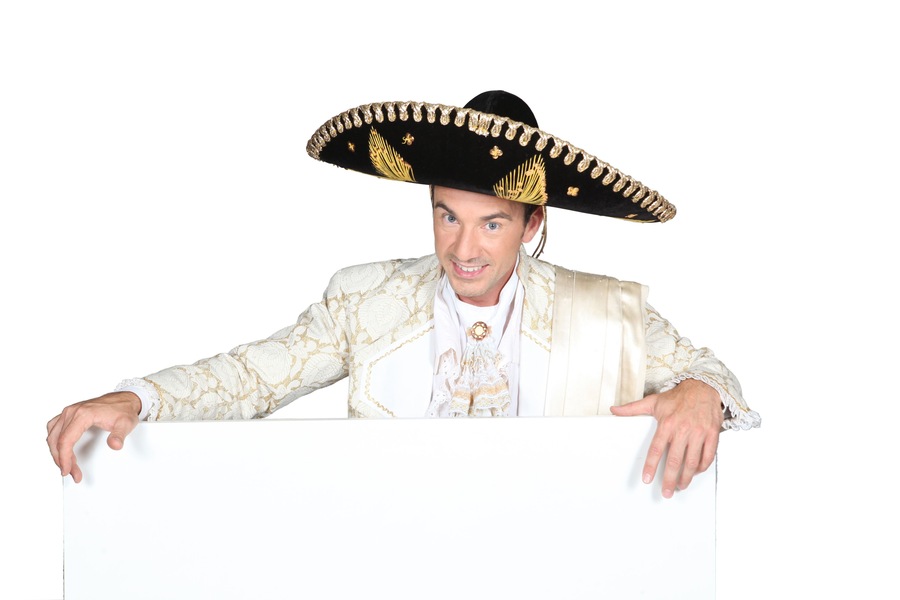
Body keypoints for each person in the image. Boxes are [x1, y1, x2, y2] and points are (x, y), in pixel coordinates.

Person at [47, 90, 760, 498]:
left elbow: (720, 381)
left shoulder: (610, 310)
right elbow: (253, 375)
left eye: (491, 224)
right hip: (391, 560)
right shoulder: (365, 299)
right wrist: (140, 397)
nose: (463, 248)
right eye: (447, 214)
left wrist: (700, 391)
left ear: (532, 223)